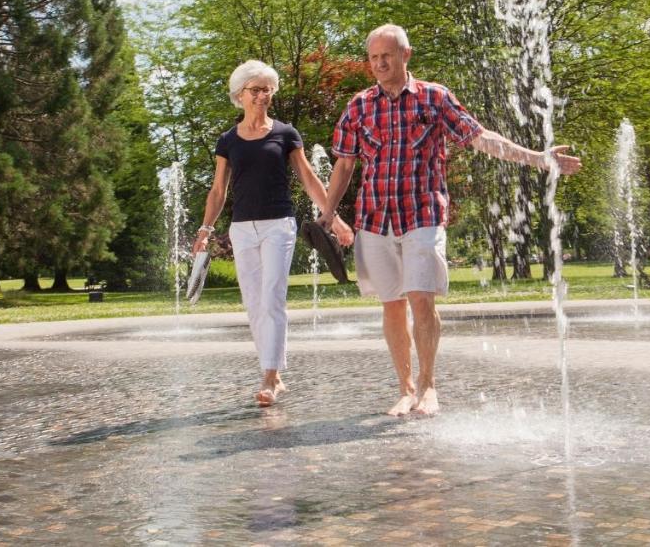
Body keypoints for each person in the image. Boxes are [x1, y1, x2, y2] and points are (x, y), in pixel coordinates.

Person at [319, 24, 581, 417]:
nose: (379, 64)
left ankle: (428, 386)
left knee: (421, 299)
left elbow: (481, 138)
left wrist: (539, 158)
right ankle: (405, 388)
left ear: (406, 55)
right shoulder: (359, 105)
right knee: (391, 305)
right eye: (373, 57)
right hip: (374, 218)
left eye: (387, 55)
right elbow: (343, 165)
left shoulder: (434, 97)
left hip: (422, 214)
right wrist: (327, 213)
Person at [193, 59, 353, 407]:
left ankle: (268, 377)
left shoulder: (285, 133)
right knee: (253, 303)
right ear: (240, 95)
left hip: (278, 225)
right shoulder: (228, 140)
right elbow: (218, 191)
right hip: (241, 229)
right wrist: (206, 229)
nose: (264, 96)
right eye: (257, 90)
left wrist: (333, 218)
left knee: (272, 296)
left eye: (268, 89)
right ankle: (275, 373)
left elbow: (309, 178)